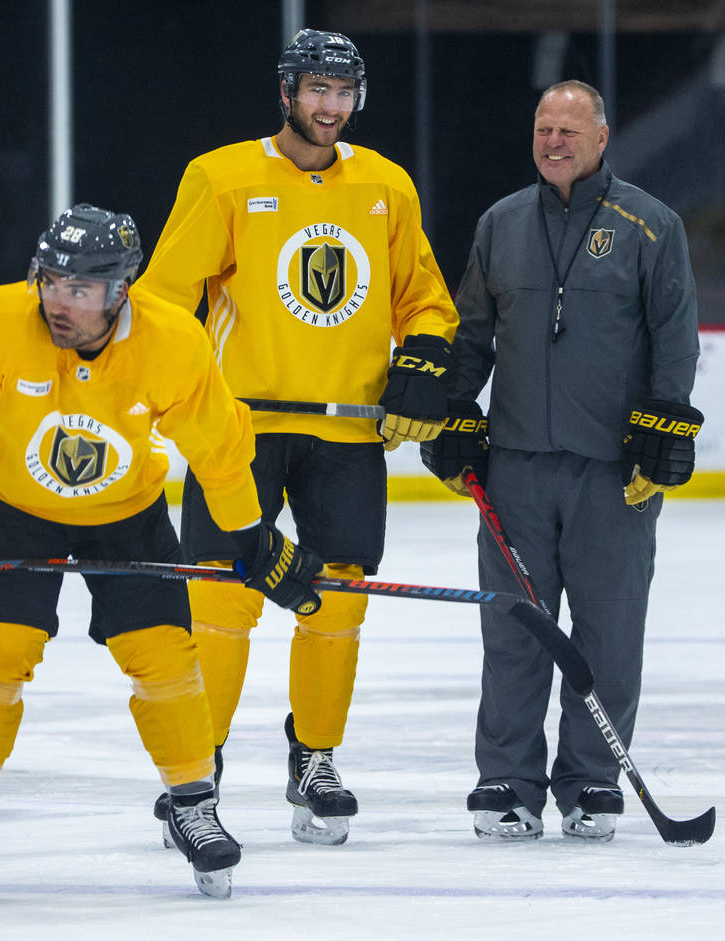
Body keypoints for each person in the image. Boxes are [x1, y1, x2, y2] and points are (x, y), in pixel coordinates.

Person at [0, 203, 325, 900]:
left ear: (120, 290)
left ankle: (193, 802)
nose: (57, 301)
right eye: (51, 280)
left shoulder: (172, 341)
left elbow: (219, 445)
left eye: (79, 288)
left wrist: (249, 534)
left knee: (164, 654)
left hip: (127, 517)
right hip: (11, 511)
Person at [132, 29, 458, 846]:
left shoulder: (385, 184)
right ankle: (195, 769)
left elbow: (423, 296)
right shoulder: (222, 176)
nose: (330, 106)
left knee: (337, 598)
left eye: (343, 93)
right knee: (221, 597)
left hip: (346, 432)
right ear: (286, 92)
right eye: (316, 89)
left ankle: (314, 754)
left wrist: (422, 355)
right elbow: (166, 303)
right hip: (238, 426)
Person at [421, 80, 703, 842]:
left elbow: (675, 340)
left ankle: (591, 782)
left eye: (568, 130)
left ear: (603, 138)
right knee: (515, 629)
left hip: (615, 473)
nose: (553, 142)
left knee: (607, 630)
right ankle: (507, 778)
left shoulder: (651, 224)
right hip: (513, 466)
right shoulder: (501, 223)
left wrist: (662, 430)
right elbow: (473, 333)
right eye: (543, 128)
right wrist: (452, 413)